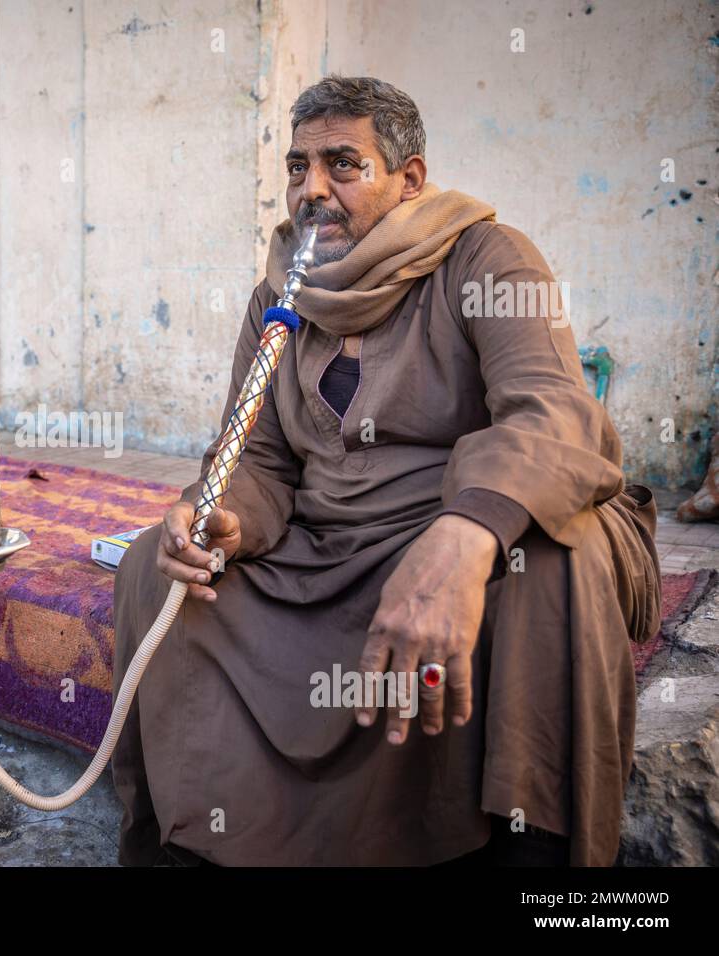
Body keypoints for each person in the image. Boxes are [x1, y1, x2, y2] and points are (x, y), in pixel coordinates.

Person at [111, 75, 661, 866]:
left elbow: (555, 417)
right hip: (333, 548)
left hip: (463, 529)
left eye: (344, 164)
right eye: (298, 167)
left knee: (551, 556)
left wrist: (468, 534)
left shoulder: (487, 257)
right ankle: (207, 841)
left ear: (409, 180)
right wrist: (225, 518)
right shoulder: (279, 292)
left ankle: (528, 851)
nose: (313, 189)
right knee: (155, 571)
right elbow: (255, 458)